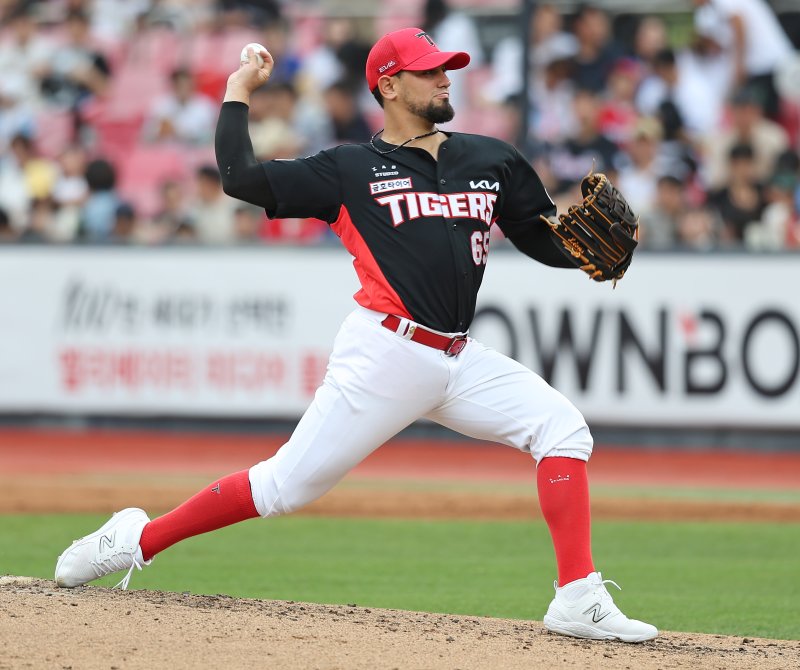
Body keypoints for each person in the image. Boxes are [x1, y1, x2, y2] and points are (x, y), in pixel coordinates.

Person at [54, 28, 658, 644]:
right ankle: (135, 539)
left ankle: (577, 596)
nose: (445, 78)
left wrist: (591, 255)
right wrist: (238, 89)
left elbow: (538, 236)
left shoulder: (491, 159)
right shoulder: (348, 170)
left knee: (562, 429)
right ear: (388, 85)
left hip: (458, 354)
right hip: (385, 353)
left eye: (446, 68)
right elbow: (241, 178)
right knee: (282, 487)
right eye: (428, 71)